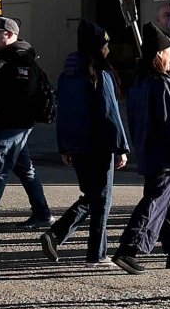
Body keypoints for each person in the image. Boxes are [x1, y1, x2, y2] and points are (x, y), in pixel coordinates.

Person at [44, 22, 128, 263]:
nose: (108, 49)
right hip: (99, 146)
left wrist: (64, 146)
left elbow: (64, 114)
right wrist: (121, 147)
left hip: (77, 146)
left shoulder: (66, 75)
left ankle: (56, 235)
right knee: (101, 201)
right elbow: (111, 113)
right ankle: (96, 254)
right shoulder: (100, 75)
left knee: (92, 196)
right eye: (105, 44)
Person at [0, 16, 56, 230]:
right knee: (25, 170)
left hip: (10, 124)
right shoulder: (6, 56)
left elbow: (21, 94)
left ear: (9, 34)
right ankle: (42, 214)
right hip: (5, 123)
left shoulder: (20, 58)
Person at [112, 23, 170, 273]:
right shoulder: (161, 83)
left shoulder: (139, 82)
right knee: (156, 200)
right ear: (159, 54)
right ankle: (130, 248)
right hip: (165, 153)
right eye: (169, 52)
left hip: (148, 149)